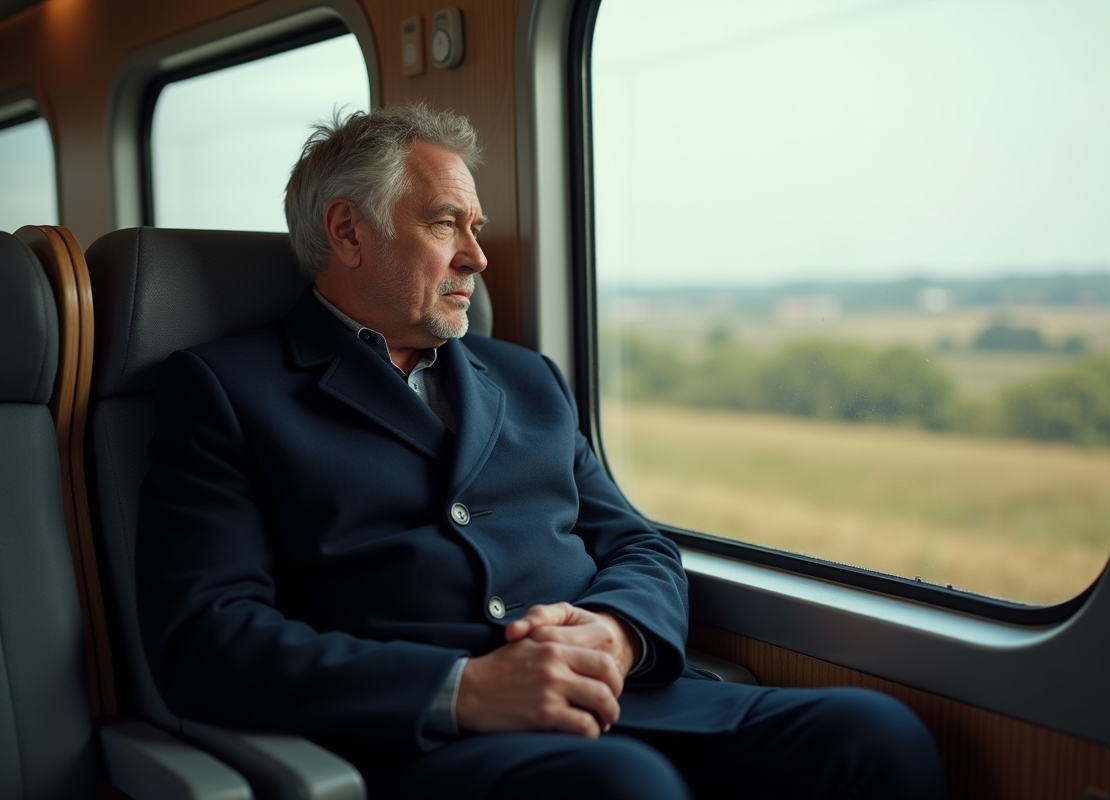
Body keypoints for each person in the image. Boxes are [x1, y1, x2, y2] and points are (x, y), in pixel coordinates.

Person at [137, 103, 945, 799]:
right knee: (624, 788)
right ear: (348, 230)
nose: (477, 259)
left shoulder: (528, 378)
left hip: (627, 697)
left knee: (874, 732)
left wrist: (615, 633)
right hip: (431, 741)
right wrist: (466, 688)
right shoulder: (224, 389)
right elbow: (208, 639)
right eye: (447, 222)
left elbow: (637, 544)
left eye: (475, 228)